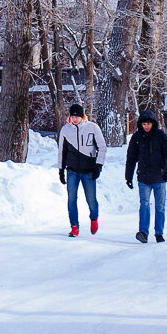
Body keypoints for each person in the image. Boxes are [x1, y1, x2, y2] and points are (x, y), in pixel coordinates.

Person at [125, 108, 167, 243]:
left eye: (149, 124)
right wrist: (128, 176)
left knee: (160, 206)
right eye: (144, 124)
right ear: (141, 124)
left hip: (159, 178)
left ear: (153, 124)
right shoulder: (137, 138)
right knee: (144, 204)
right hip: (143, 178)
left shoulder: (161, 136)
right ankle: (143, 232)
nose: (146, 126)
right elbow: (131, 158)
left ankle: (159, 233)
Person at [57, 102, 107, 237]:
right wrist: (61, 169)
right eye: (72, 117)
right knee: (71, 198)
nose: (74, 119)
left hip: (89, 170)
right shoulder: (65, 130)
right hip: (72, 170)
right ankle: (74, 226)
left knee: (91, 199)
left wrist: (98, 165)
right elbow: (62, 151)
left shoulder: (92, 127)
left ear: (82, 116)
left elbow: (102, 147)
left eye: (77, 116)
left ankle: (94, 218)